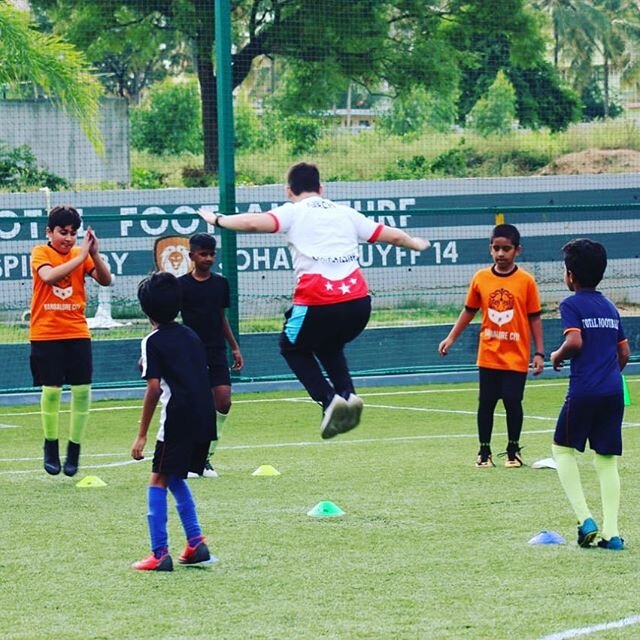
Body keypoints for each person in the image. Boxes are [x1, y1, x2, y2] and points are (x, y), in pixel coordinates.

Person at [197, 161, 429, 439]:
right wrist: (415, 243)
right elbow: (391, 235)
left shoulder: (293, 212)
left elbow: (251, 222)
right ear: (321, 188)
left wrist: (217, 220)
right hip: (359, 304)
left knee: (291, 346)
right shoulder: (345, 212)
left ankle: (329, 400)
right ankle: (347, 394)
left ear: (288, 191)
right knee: (328, 343)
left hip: (319, 300)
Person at [131, 271, 218, 571]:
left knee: (158, 478)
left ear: (145, 309)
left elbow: (154, 388)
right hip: (205, 418)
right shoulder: (191, 334)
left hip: (178, 419)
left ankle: (159, 553)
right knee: (175, 476)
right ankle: (196, 543)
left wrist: (141, 435)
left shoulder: (152, 341)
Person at [438, 223, 544, 468]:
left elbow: (534, 318)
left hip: (516, 356)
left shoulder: (526, 281)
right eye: (496, 248)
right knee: (486, 403)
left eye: (506, 249)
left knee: (512, 401)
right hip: (488, 355)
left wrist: (539, 352)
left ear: (517, 250)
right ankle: (484, 452)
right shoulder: (481, 278)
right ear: (490, 249)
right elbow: (468, 311)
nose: (500, 254)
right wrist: (451, 337)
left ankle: (512, 450)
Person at [550, 239, 630, 551]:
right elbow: (623, 350)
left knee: (562, 449)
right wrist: (610, 373)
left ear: (570, 275)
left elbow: (575, 342)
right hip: (613, 391)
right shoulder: (609, 306)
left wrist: (557, 355)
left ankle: (585, 519)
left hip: (584, 390)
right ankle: (612, 534)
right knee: (606, 459)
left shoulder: (571, 304)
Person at [29, 205, 112, 477]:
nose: (67, 238)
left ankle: (74, 449)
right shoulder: (41, 253)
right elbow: (49, 276)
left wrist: (95, 255)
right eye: (62, 232)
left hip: (77, 332)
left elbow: (105, 279)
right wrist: (82, 256)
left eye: (73, 233)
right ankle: (50, 446)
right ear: (49, 232)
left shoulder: (82, 254)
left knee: (81, 391)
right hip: (46, 333)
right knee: (51, 390)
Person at [178, 233, 243, 479]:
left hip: (216, 351)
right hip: (190, 352)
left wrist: (234, 347)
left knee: (223, 400)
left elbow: (221, 318)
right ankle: (191, 457)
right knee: (196, 405)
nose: (208, 258)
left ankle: (206, 457)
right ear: (192, 255)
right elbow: (169, 318)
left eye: (212, 254)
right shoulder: (181, 285)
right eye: (203, 254)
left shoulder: (221, 284)